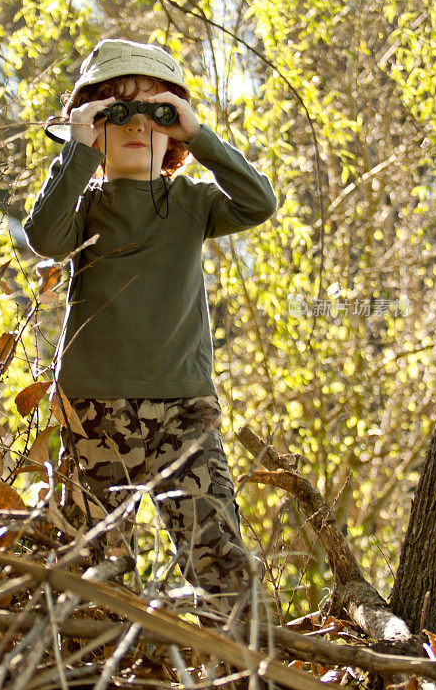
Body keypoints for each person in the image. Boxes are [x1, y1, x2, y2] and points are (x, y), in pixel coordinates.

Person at [23, 38, 278, 621]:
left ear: (173, 133)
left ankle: (251, 684)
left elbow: (260, 202)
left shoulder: (193, 201)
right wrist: (77, 148)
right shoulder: (81, 204)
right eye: (115, 111)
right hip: (89, 410)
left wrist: (200, 136)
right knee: (92, 572)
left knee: (221, 564)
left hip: (183, 411)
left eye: (156, 112)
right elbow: (44, 237)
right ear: (91, 126)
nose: (137, 124)